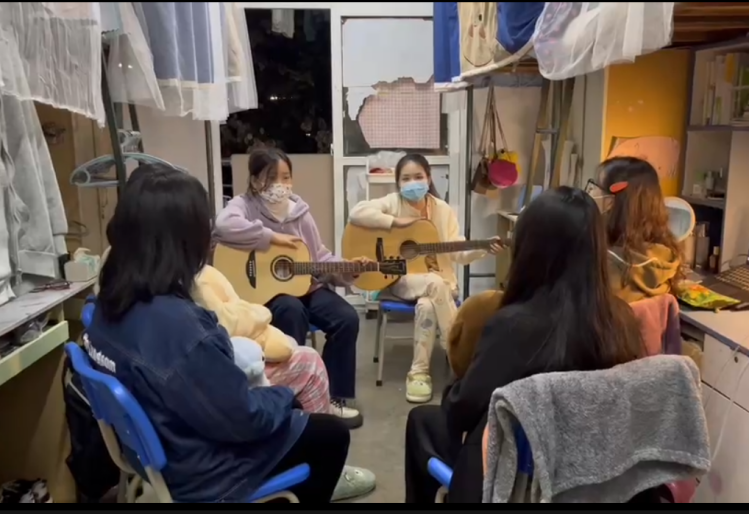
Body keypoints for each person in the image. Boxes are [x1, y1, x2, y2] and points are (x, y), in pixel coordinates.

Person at [87, 164, 349, 503]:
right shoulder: (181, 329)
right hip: (200, 471)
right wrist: (283, 397)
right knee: (330, 434)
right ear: (183, 242)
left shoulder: (106, 304)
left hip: (149, 452)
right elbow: (245, 417)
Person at [404, 186, 646, 503]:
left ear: (529, 250)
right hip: (590, 476)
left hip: (514, 477)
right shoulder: (623, 319)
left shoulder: (513, 325)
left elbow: (459, 413)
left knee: (421, 421)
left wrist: (459, 370)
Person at [214, 148, 364, 429]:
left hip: (307, 287)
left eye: (286, 177)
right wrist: (272, 238)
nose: (280, 184)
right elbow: (224, 226)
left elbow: (319, 259)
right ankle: (289, 398)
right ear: (255, 179)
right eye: (272, 177)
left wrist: (349, 269)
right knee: (290, 310)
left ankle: (332, 397)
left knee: (346, 317)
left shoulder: (300, 213)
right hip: (267, 294)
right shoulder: (244, 205)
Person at [348, 154, 502, 403]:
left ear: (428, 178)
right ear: (398, 183)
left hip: (440, 284)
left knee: (427, 304)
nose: (413, 183)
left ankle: (418, 373)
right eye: (406, 178)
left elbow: (458, 252)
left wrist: (483, 248)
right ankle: (462, 355)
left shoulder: (442, 210)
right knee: (434, 283)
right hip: (401, 280)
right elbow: (357, 212)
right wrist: (395, 222)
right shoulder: (393, 202)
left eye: (418, 177)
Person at [598, 156, 683, 303]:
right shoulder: (667, 259)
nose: (591, 195)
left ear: (611, 202)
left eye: (596, 188)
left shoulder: (601, 267)